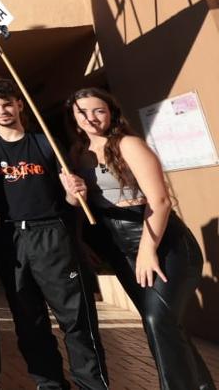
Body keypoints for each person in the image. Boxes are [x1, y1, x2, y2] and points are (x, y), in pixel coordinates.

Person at [68, 88, 214, 390]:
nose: (91, 118)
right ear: (74, 117)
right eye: (82, 112)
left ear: (111, 112)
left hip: (161, 240)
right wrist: (79, 233)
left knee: (157, 320)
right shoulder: (76, 153)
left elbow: (160, 201)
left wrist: (148, 251)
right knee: (166, 327)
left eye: (99, 110)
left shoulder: (128, 144)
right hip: (118, 246)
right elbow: (83, 205)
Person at [0, 76, 108, 390]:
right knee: (28, 322)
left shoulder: (45, 142)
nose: (3, 110)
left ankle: (92, 385)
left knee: (75, 319)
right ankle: (49, 384)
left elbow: (71, 197)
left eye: (8, 103)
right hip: (10, 239)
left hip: (52, 235)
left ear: (20, 104)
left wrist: (77, 192)